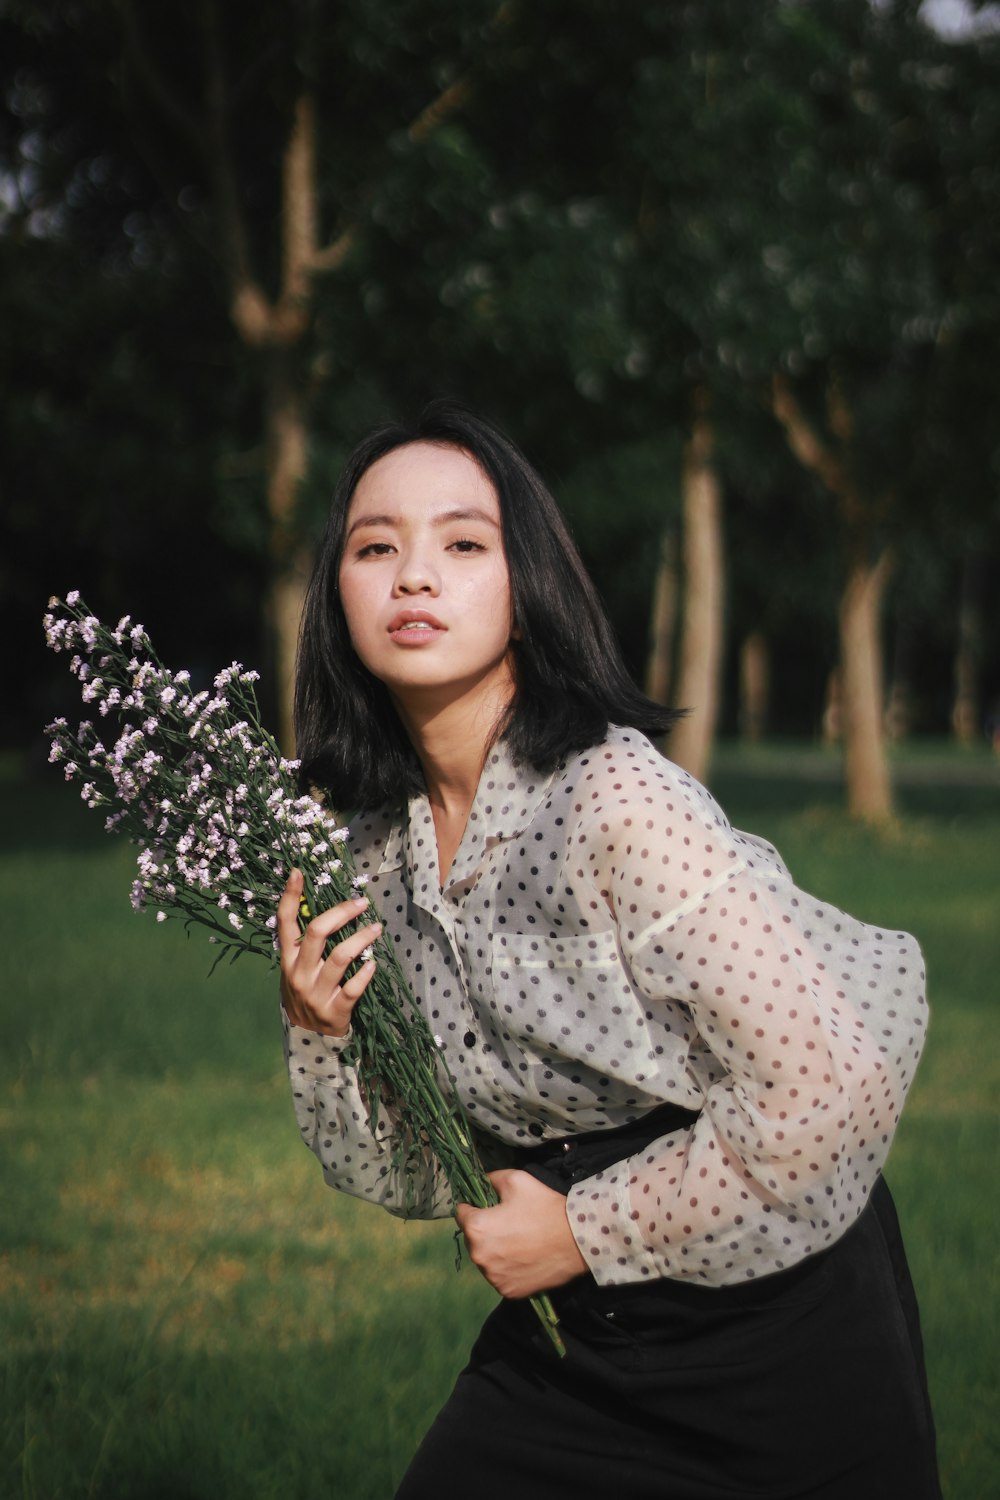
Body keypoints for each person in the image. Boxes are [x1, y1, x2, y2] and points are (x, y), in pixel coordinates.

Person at [276, 402, 941, 1500]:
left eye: (463, 543)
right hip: (570, 1342)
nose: (414, 576)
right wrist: (323, 1035)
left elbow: (833, 1093)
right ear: (335, 591)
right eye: (376, 545)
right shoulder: (361, 850)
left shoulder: (616, 802)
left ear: (526, 588)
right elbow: (396, 1168)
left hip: (773, 1307)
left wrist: (583, 1230)